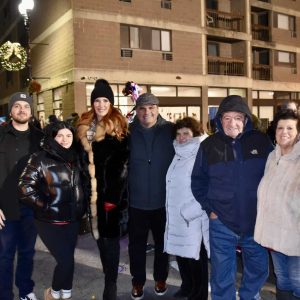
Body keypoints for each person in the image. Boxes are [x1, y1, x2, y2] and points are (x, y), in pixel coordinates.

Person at [191, 95, 273, 300]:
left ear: (245, 119)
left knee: (259, 268)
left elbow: (274, 176)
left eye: (237, 117)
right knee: (221, 274)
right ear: (219, 120)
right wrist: (210, 209)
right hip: (221, 223)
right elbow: (197, 181)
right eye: (226, 118)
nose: (232, 123)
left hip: (256, 222)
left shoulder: (261, 142)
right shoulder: (208, 146)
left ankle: (248, 296)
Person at [19, 121, 89, 300]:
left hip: (73, 219)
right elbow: (24, 187)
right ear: (52, 137)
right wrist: (45, 205)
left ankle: (66, 292)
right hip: (49, 221)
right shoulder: (40, 158)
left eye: (68, 135)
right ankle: (53, 293)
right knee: (65, 261)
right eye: (60, 135)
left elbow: (84, 185)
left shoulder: (77, 156)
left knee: (68, 259)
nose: (65, 140)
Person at [77, 79, 129, 300]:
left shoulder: (117, 127)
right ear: (92, 103)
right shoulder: (83, 126)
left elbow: (124, 166)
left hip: (109, 197)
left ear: (111, 102)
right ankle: (109, 274)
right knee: (99, 238)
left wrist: (113, 198)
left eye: (105, 100)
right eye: (97, 100)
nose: (100, 105)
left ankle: (111, 285)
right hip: (89, 195)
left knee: (109, 240)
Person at [128, 92, 174, 300]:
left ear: (157, 109)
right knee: (136, 247)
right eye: (142, 108)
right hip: (135, 202)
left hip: (163, 202)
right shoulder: (127, 132)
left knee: (162, 246)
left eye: (151, 108)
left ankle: (160, 278)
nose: (147, 112)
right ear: (137, 111)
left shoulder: (170, 131)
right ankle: (137, 282)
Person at [0, 92, 44, 300]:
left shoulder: (40, 138)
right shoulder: (0, 135)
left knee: (27, 253)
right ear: (11, 111)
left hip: (31, 206)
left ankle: (26, 290)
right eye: (17, 106)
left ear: (31, 111)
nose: (22, 109)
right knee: (4, 255)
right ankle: (5, 294)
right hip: (4, 207)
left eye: (26, 106)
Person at [254, 109, 300, 300]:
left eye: (290, 128)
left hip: (295, 236)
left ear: (298, 133)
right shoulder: (272, 157)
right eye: (280, 128)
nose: (284, 132)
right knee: (282, 279)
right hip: (274, 234)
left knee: (297, 280)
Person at [164, 117, 210, 300]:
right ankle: (187, 286)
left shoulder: (202, 153)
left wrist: (189, 212)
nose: (182, 137)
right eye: (179, 134)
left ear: (195, 134)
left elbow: (209, 186)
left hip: (193, 217)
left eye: (186, 134)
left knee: (195, 257)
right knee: (182, 255)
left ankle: (199, 294)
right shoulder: (178, 152)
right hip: (177, 216)